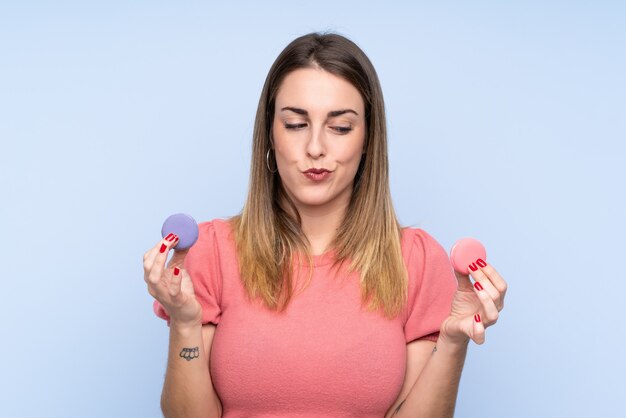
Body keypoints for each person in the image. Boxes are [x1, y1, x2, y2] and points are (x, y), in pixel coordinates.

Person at [143, 31, 508, 418]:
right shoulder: (212, 251)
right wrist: (184, 323)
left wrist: (452, 342)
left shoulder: (415, 260)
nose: (315, 147)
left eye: (340, 127)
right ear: (270, 132)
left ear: (368, 138)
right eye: (296, 124)